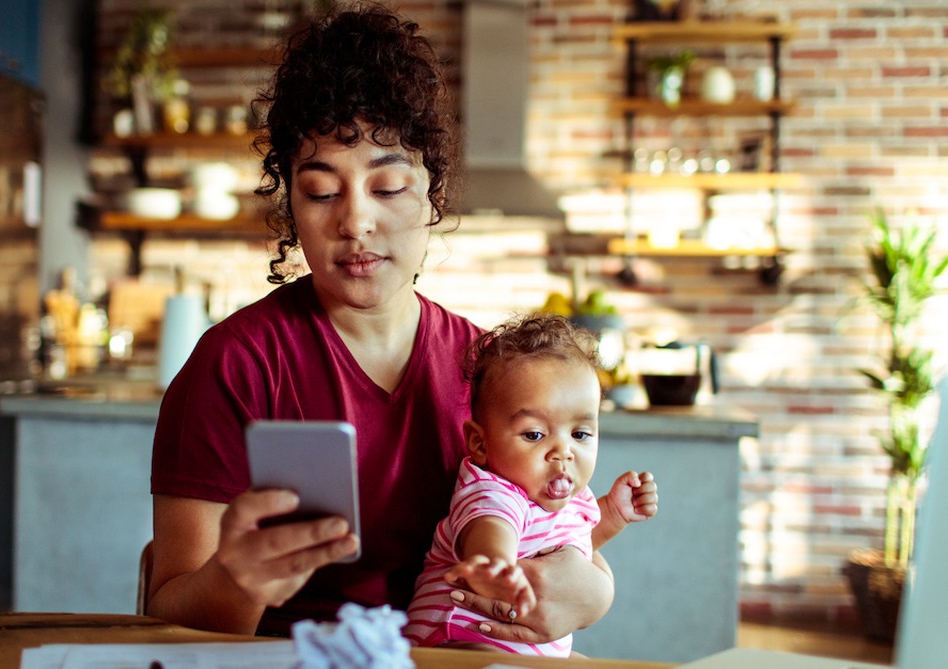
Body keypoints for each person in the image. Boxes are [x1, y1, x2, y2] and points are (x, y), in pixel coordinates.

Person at [146, 3, 617, 644]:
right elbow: (167, 616)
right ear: (291, 203)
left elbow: (558, 530)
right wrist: (239, 580)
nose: (355, 222)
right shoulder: (236, 364)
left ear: (434, 198)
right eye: (320, 192)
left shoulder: (490, 371)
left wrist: (593, 590)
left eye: (389, 187)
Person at [403, 315, 658, 656]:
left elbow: (571, 546)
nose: (563, 452)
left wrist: (613, 513)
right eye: (535, 434)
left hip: (519, 651)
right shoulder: (492, 490)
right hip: (455, 644)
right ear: (480, 443)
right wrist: (495, 565)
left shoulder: (572, 500)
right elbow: (490, 529)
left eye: (580, 434)